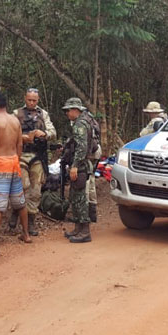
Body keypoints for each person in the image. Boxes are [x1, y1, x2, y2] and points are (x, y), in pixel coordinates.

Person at [0, 90, 32, 248]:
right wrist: (17, 160)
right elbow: (20, 144)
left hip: (1, 163)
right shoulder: (15, 120)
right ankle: (26, 235)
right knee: (19, 201)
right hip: (14, 162)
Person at [11, 88, 57, 235]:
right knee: (22, 186)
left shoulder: (43, 114)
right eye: (29, 99)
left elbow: (53, 132)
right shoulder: (16, 113)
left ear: (38, 100)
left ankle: (31, 221)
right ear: (25, 98)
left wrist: (45, 134)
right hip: (21, 155)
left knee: (35, 190)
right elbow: (9, 132)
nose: (31, 102)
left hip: (38, 156)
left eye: (34, 100)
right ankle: (15, 212)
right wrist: (22, 137)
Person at [61, 97, 96, 243]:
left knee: (80, 198)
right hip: (82, 164)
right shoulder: (85, 121)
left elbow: (81, 148)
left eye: (68, 110)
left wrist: (75, 165)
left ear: (75, 110)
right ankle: (78, 228)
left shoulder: (80, 124)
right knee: (75, 196)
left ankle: (85, 231)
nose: (67, 113)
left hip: (80, 166)